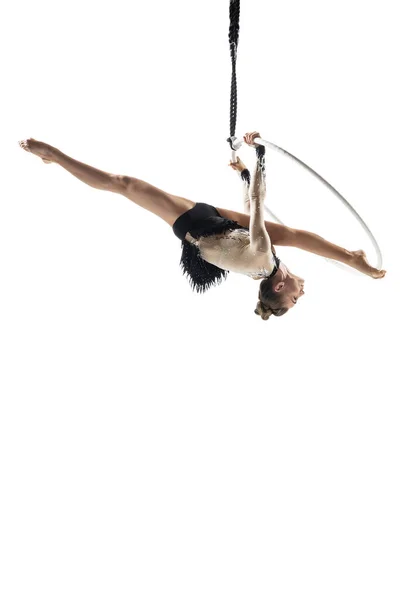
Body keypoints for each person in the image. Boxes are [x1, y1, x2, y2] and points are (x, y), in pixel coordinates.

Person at [19, 132, 386, 321]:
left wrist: (259, 159)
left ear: (278, 286)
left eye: (292, 298)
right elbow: (249, 212)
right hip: (216, 223)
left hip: (195, 224)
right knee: (287, 235)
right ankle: (353, 257)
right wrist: (244, 174)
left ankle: (56, 156)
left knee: (123, 183)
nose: (300, 295)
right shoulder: (267, 265)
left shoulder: (261, 262)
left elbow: (258, 207)